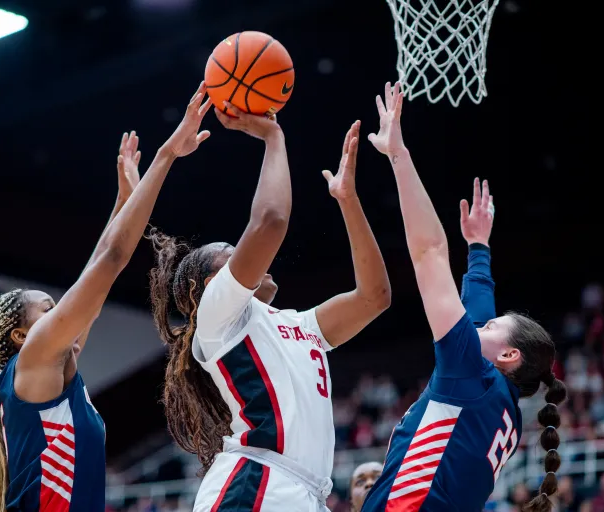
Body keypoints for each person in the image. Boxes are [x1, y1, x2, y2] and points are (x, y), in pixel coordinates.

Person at [0, 83, 214, 512]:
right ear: (21, 335)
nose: (62, 311)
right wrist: (167, 153)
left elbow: (97, 273)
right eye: (48, 308)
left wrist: (123, 201)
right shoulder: (34, 359)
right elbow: (110, 262)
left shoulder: (47, 372)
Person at [149, 104, 391, 512]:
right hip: (258, 483)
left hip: (304, 492)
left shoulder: (300, 324)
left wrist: (348, 202)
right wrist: (274, 138)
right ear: (211, 285)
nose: (253, 259)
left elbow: (375, 297)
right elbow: (270, 221)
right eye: (234, 254)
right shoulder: (217, 316)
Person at [360, 83, 567, 512]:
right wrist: (478, 249)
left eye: (490, 327)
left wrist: (398, 156)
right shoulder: (497, 399)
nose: (480, 325)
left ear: (508, 355)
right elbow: (479, 308)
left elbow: (429, 253)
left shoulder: (471, 376)